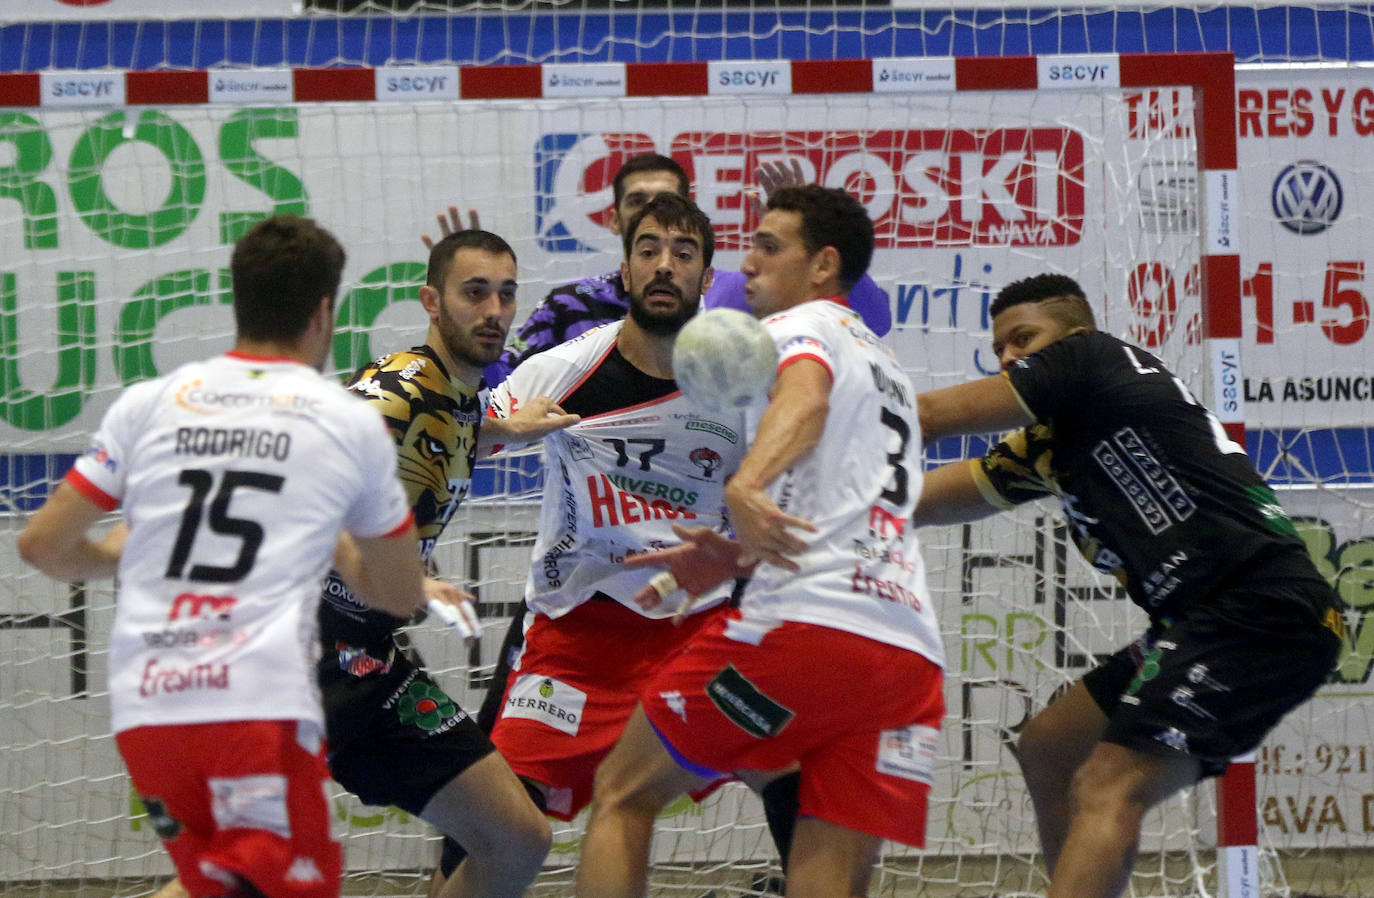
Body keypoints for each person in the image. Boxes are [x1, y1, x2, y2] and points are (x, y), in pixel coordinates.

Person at [148, 229, 577, 898]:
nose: (494, 310)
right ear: (431, 301)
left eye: (505, 294)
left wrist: (506, 427)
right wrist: (397, 573)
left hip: (369, 660)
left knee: (518, 838)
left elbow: (450, 429)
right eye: (474, 293)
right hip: (301, 648)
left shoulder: (458, 393)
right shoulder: (392, 395)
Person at [17, 215, 431, 898]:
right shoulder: (345, 419)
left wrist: (126, 549)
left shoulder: (150, 403)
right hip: (251, 708)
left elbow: (43, 545)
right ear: (324, 311)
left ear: (238, 299)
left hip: (147, 712)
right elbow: (397, 594)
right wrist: (345, 545)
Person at [910, 273, 1346, 898]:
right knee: (1050, 747)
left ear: (1072, 335)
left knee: (1108, 784)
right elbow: (918, 502)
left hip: (1258, 604)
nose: (1008, 358)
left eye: (1024, 339)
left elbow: (927, 416)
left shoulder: (1093, 359)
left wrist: (819, 403)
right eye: (1000, 347)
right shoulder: (1050, 445)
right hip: (1200, 620)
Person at [573, 185, 946, 898]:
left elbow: (803, 402)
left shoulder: (799, 327)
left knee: (623, 792)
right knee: (827, 874)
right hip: (906, 660)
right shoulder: (889, 370)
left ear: (822, 266)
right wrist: (729, 553)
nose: (748, 262)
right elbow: (840, 502)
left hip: (809, 632)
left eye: (769, 246)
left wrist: (744, 488)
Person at [482, 190, 752, 828]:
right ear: (625, 270)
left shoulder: (741, 384)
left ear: (706, 278)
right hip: (576, 629)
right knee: (492, 824)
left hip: (697, 632)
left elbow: (781, 498)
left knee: (794, 773)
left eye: (683, 253)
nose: (664, 265)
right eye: (648, 250)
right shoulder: (566, 369)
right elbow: (470, 435)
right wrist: (507, 431)